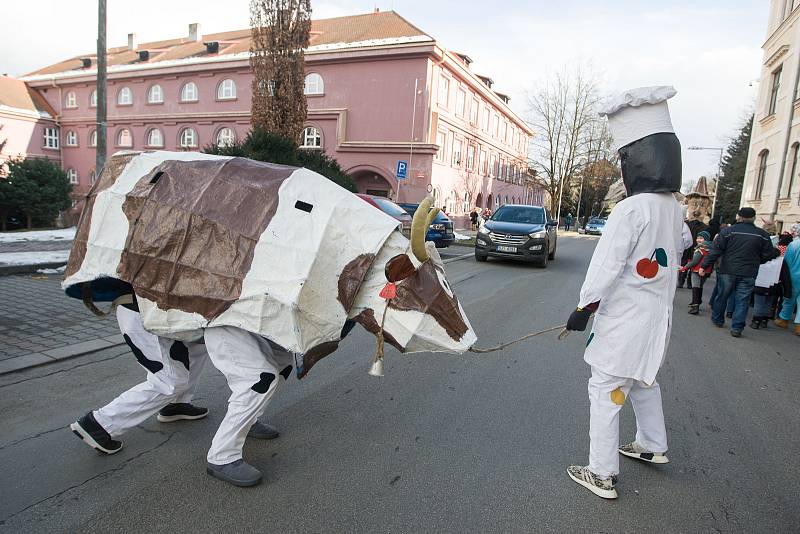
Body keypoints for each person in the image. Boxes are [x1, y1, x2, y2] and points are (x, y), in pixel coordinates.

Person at [563, 86, 691, 499]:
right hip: (656, 319)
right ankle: (653, 445)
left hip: (626, 318)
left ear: (636, 161)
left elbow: (606, 264)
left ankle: (601, 473)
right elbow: (683, 242)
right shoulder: (673, 208)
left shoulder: (631, 209)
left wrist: (584, 306)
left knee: (605, 388)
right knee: (642, 380)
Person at [70, 287, 280, 455]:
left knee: (196, 350)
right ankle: (99, 423)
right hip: (142, 312)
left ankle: (177, 405)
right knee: (169, 381)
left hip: (164, 311)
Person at [204, 326, 295, 487]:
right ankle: (222, 455)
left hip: (251, 318)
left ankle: (248, 421)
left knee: (283, 360)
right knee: (259, 378)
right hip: (222, 319)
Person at [699, 207, 778, 338]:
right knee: (743, 299)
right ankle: (737, 327)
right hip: (749, 272)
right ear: (753, 218)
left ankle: (718, 319)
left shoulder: (727, 232)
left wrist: (704, 265)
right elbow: (768, 254)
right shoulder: (762, 234)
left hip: (727, 270)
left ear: (739, 217)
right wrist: (758, 261)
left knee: (722, 295)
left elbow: (715, 250)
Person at [752, 233, 792, 329]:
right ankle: (765, 320)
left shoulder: (760, 257)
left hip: (759, 284)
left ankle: (756, 321)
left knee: (759, 303)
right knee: (769, 303)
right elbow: (786, 277)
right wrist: (787, 291)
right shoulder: (782, 261)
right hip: (774, 286)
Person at [680, 230, 712, 315]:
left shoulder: (700, 249)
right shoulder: (710, 248)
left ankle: (695, 306)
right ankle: (698, 301)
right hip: (706, 271)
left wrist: (685, 267)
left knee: (695, 287)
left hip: (696, 270)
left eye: (701, 238)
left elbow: (695, 261)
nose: (698, 240)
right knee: (700, 286)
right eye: (698, 238)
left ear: (706, 239)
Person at [774, 231, 800, 335]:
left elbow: (787, 262)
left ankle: (784, 319)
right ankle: (799, 326)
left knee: (789, 297)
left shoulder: (794, 244)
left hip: (793, 276)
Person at [677, 217, 708, 289]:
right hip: (697, 247)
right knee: (693, 266)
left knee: (684, 264)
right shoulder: (704, 227)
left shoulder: (687, 224)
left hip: (687, 248)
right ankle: (690, 283)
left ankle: (681, 282)